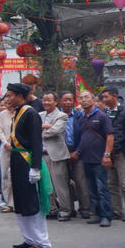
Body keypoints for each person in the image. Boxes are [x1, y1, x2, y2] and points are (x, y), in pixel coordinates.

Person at [5, 83, 52, 248]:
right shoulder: (17, 112)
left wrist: (36, 167)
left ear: (20, 96)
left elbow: (36, 142)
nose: (7, 99)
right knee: (21, 201)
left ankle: (42, 241)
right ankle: (29, 238)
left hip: (27, 160)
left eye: (10, 95)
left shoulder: (30, 113)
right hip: (17, 160)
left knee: (32, 202)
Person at [76, 91, 114, 227]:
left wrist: (107, 155)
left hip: (100, 158)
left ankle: (106, 215)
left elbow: (110, 136)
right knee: (91, 188)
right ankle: (96, 213)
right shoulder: (81, 118)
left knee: (102, 188)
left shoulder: (102, 116)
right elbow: (81, 137)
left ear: (93, 100)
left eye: (87, 97)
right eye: (81, 98)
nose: (84, 100)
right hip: (86, 159)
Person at [101, 88, 125, 223]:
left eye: (106, 97)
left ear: (115, 96)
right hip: (109, 153)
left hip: (121, 153)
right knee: (112, 184)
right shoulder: (105, 113)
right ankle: (116, 210)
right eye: (103, 97)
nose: (104, 100)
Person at [40, 92, 72, 221]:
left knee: (60, 185)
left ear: (56, 102)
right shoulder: (39, 115)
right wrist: (45, 126)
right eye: (44, 100)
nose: (46, 102)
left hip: (57, 155)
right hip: (42, 155)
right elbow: (32, 130)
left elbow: (55, 131)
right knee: (47, 184)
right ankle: (51, 209)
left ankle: (65, 210)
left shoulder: (62, 115)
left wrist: (40, 129)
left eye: (49, 100)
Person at [60, 92, 91, 219]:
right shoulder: (56, 116)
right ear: (60, 101)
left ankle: (85, 208)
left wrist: (77, 151)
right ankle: (68, 209)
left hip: (78, 152)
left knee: (80, 181)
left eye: (70, 100)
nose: (68, 102)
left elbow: (84, 136)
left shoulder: (80, 116)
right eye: (65, 100)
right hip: (61, 152)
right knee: (63, 182)